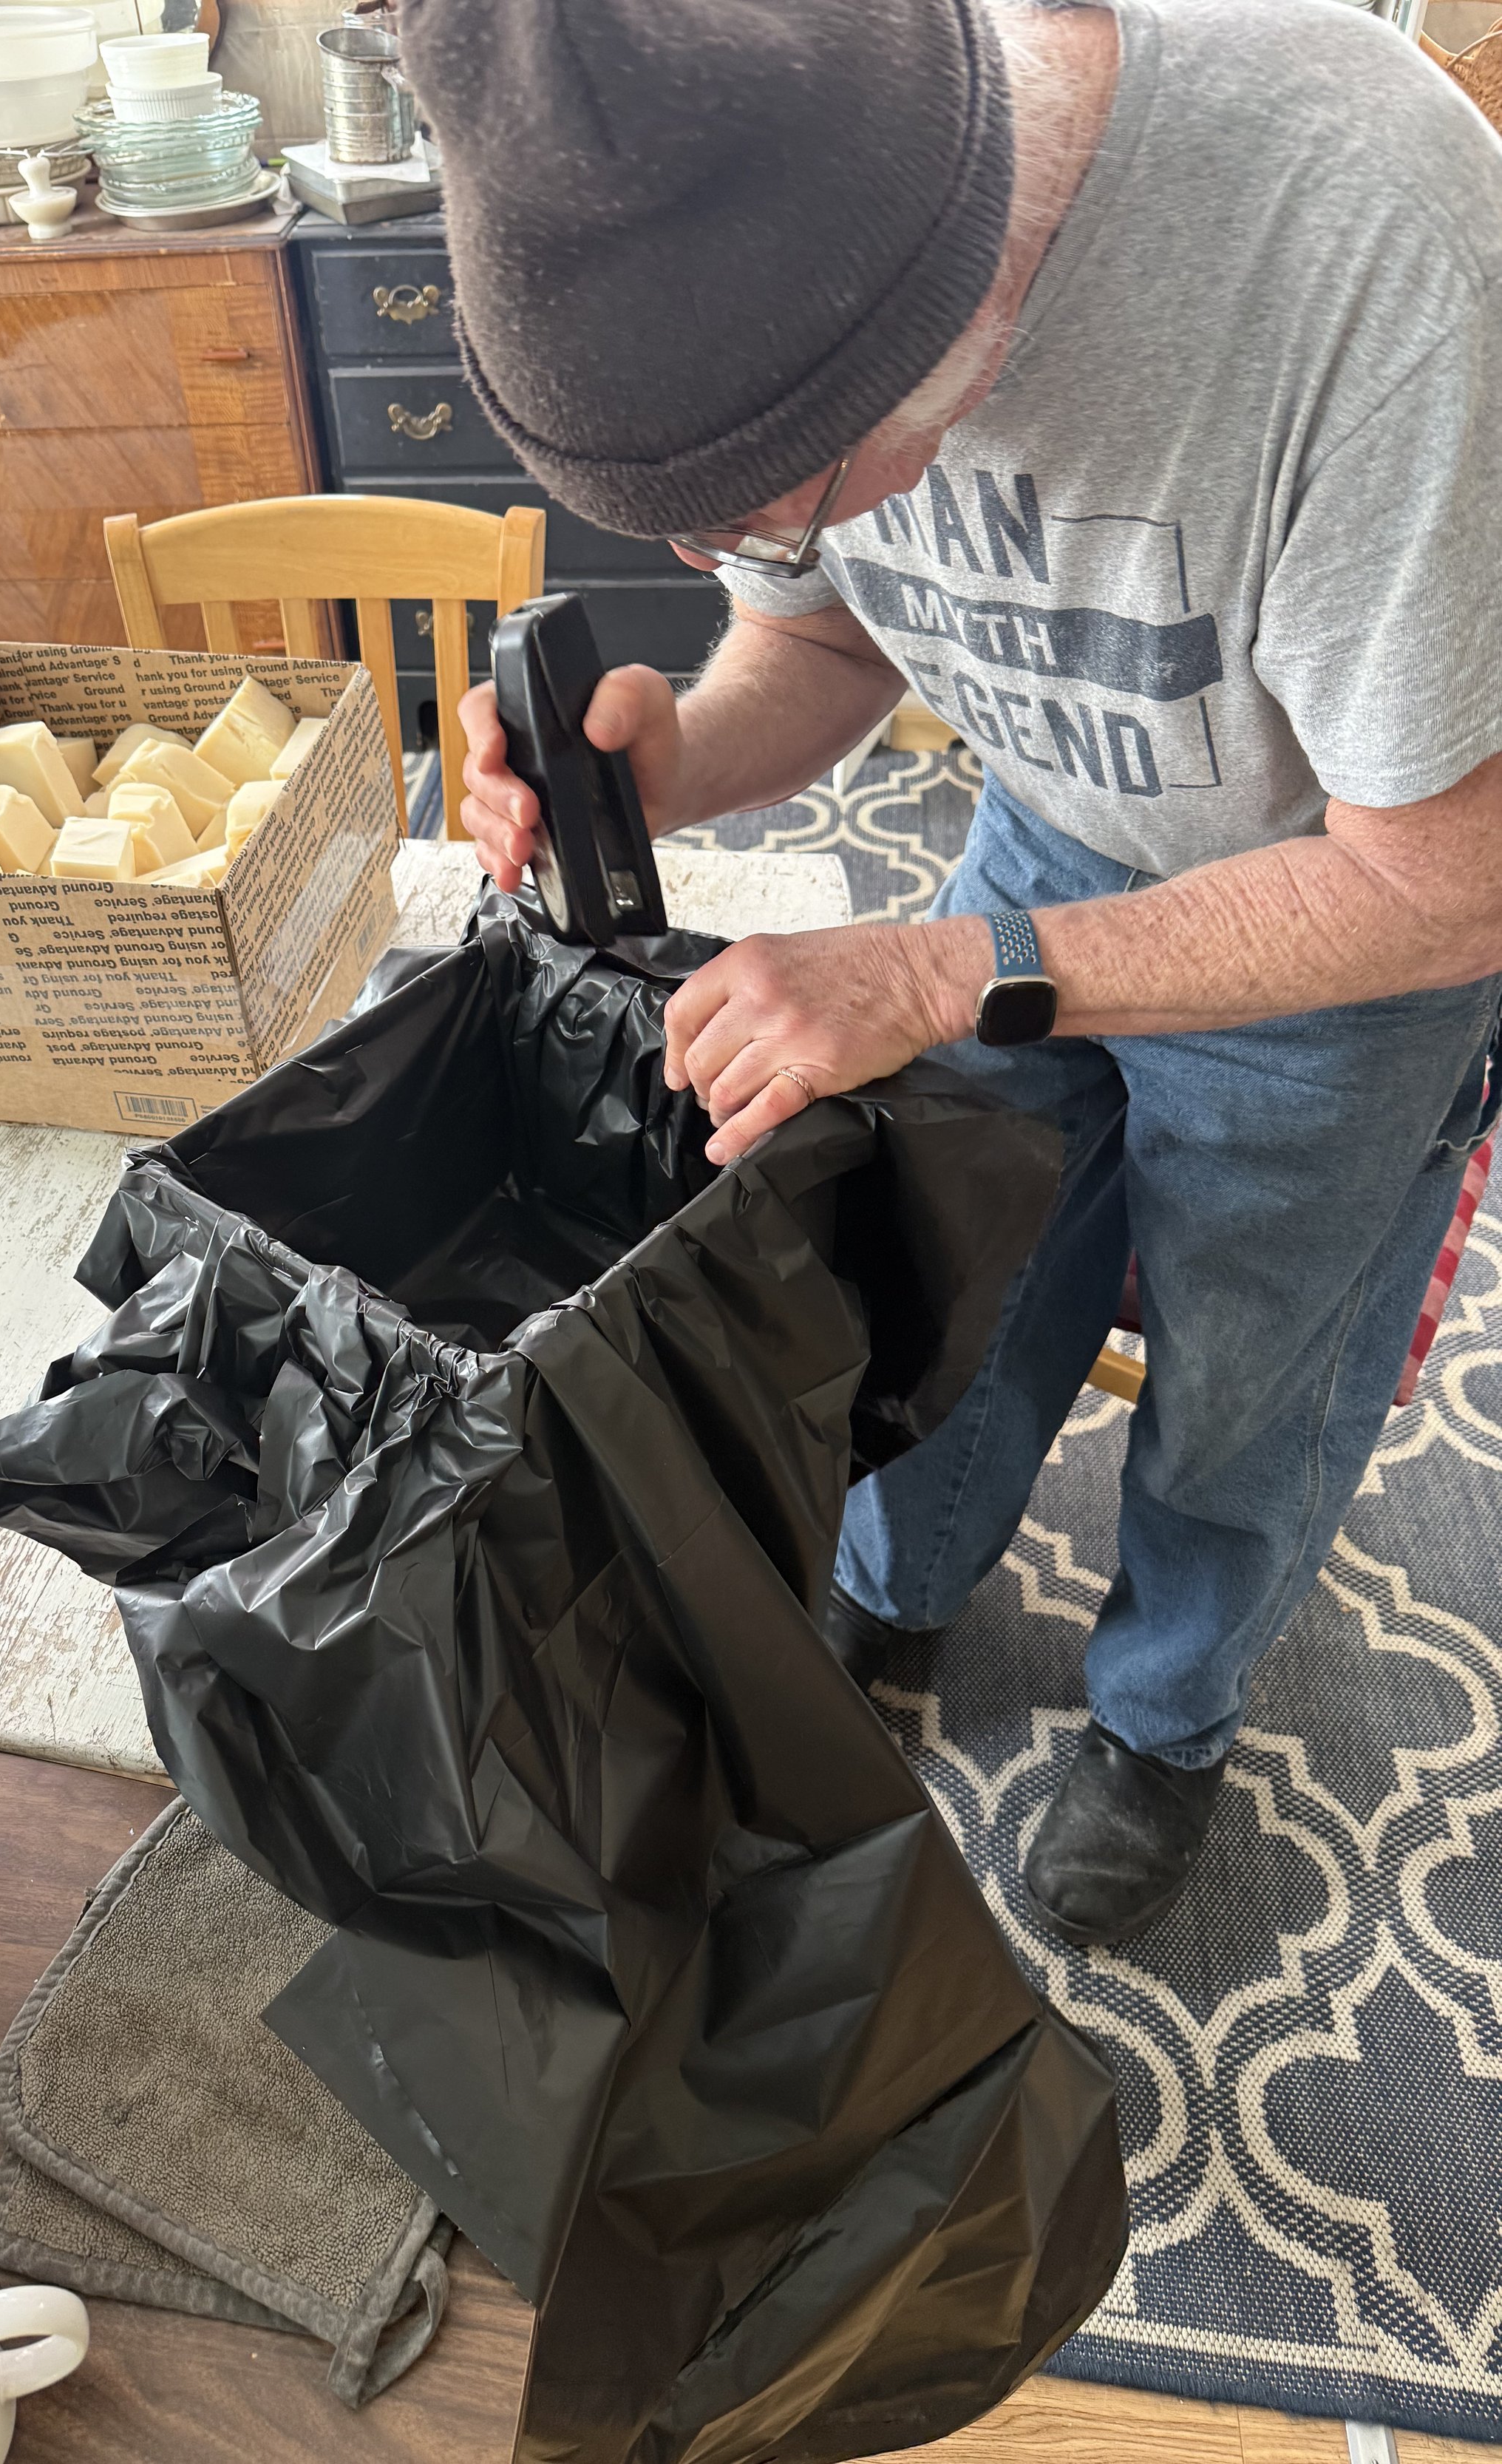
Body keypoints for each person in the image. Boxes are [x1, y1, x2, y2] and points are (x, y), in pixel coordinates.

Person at [397, 0, 1502, 1945]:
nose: (743, 550)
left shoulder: (1375, 241)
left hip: (1342, 917)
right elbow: (831, 641)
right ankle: (899, 1587)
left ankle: (1164, 1714)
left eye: (771, 495)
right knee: (941, 1282)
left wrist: (934, 976)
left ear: (940, 283)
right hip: (1053, 827)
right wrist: (671, 760)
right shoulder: (778, 246)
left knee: (1247, 1379)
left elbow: (1447, 884)